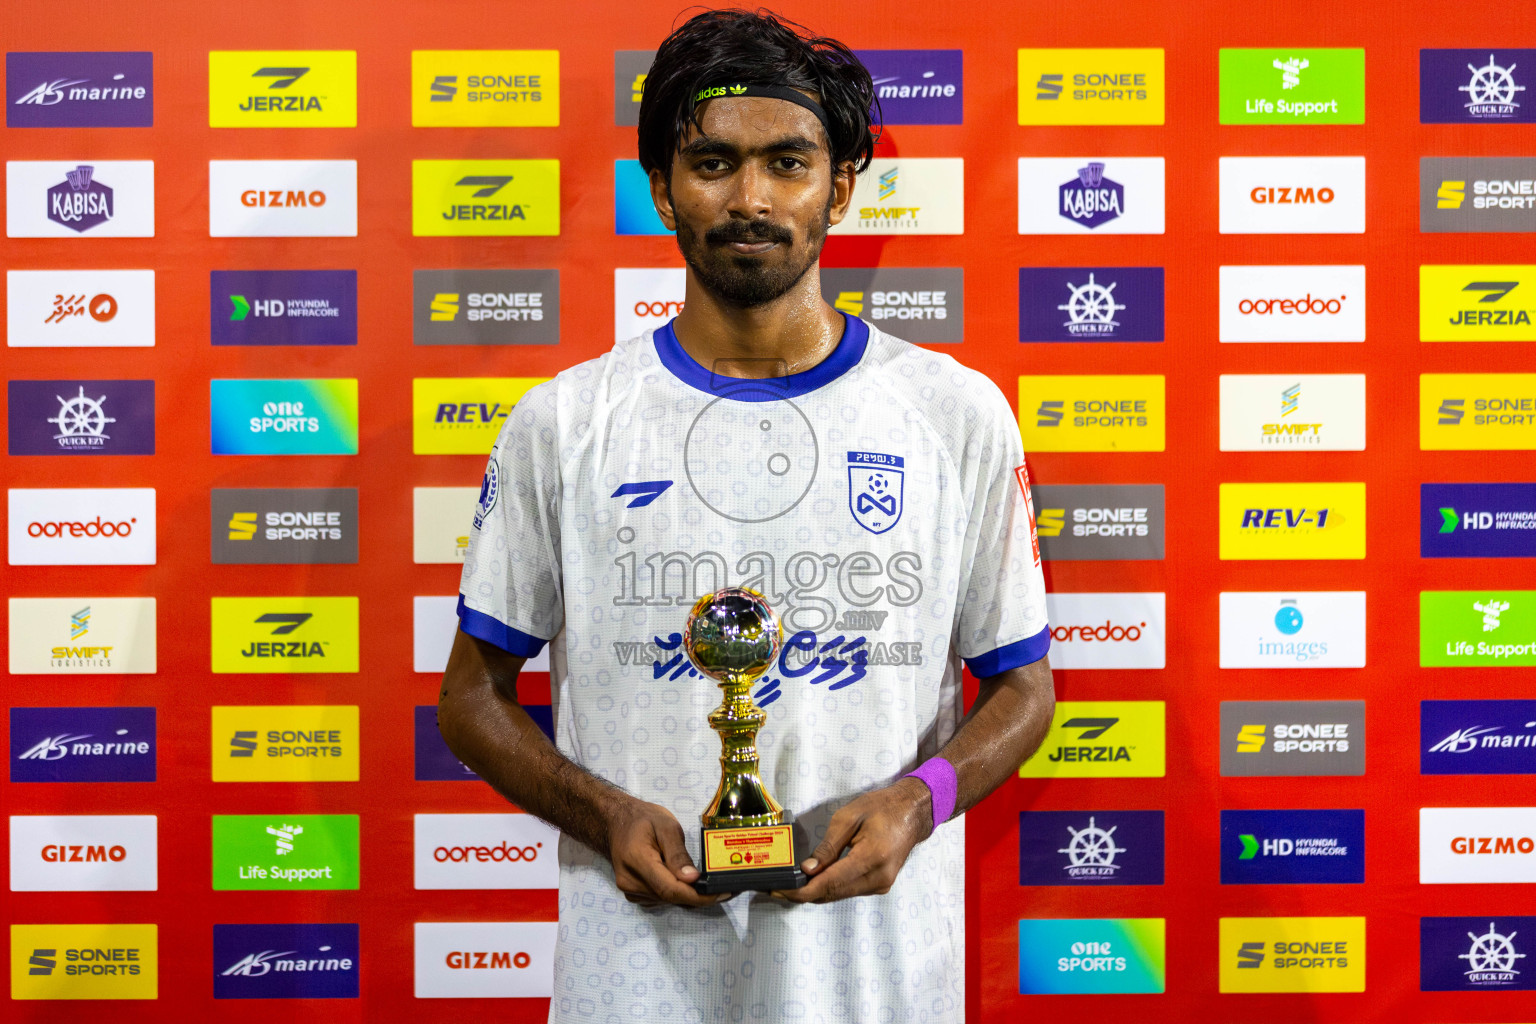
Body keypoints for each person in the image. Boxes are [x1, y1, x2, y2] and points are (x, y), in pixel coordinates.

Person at [437, 9, 1055, 1021]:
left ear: (840, 188)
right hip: (638, 980)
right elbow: (471, 697)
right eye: (713, 163)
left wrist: (918, 800)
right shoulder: (567, 421)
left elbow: (1025, 687)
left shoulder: (953, 413)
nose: (751, 198)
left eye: (789, 162)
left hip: (876, 981)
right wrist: (602, 812)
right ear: (662, 189)